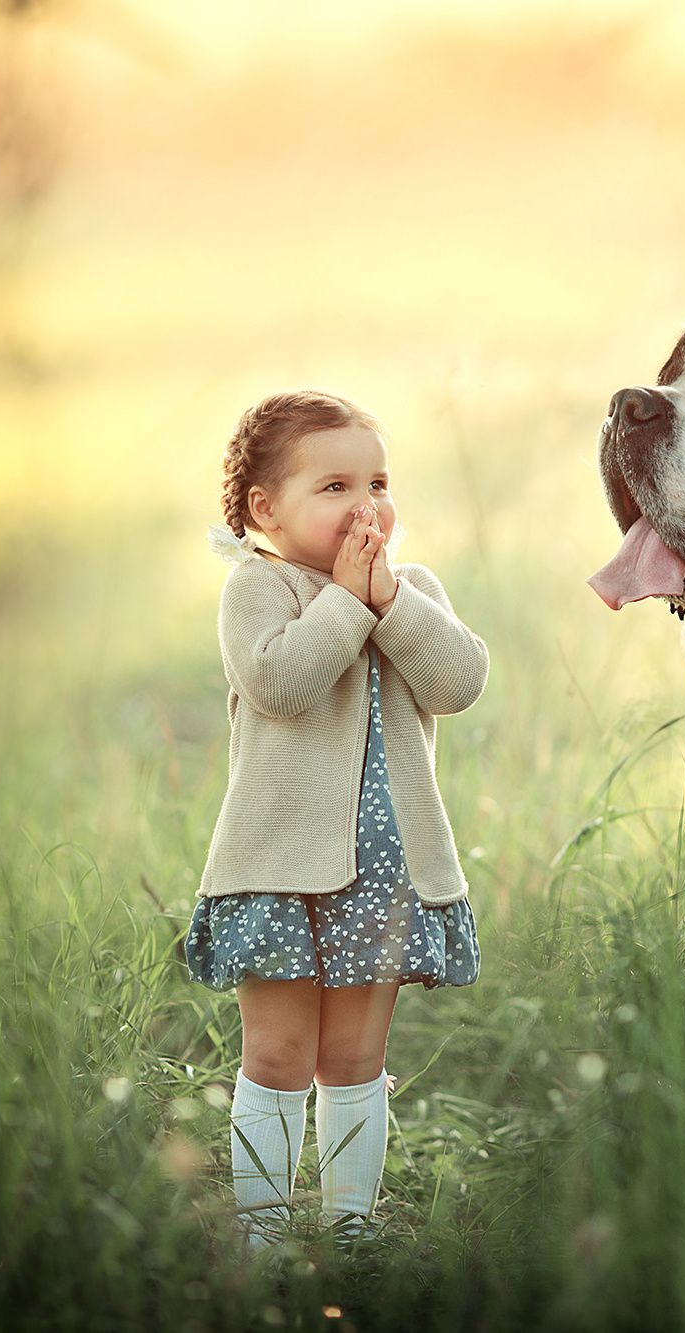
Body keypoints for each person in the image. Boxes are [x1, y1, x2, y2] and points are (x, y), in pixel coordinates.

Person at [186, 389, 487, 1249]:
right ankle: (267, 1235)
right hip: (279, 870)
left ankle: (351, 1229)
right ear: (264, 509)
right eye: (336, 486)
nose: (368, 506)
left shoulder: (408, 590)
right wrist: (348, 604)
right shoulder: (257, 588)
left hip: (386, 876)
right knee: (279, 1056)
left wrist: (389, 601)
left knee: (354, 1062)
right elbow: (281, 683)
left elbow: (459, 683)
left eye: (380, 482)